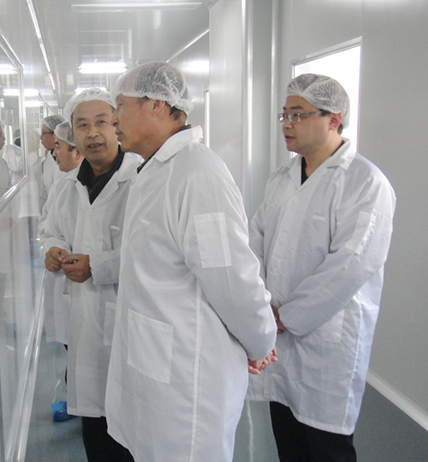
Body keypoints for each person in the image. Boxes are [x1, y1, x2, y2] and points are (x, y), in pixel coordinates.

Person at [104, 62, 277, 462]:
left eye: (121, 105)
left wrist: (261, 341)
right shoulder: (155, 171)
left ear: (157, 104)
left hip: (188, 375)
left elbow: (231, 279)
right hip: (156, 363)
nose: (114, 119)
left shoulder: (198, 174)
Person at [247, 74, 396, 462]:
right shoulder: (282, 178)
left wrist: (287, 315)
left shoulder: (365, 182)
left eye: (298, 114)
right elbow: (255, 240)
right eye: (284, 114)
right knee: (288, 440)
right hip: (278, 333)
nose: (286, 124)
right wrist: (260, 304)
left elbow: (353, 264)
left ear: (334, 119)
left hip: (327, 339)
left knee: (327, 446)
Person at [43, 88, 141, 462]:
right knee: (96, 432)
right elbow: (51, 229)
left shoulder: (141, 179)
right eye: (82, 125)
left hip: (131, 321)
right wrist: (53, 249)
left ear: (117, 125)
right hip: (84, 320)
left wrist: (98, 266)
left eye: (102, 122)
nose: (93, 132)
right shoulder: (66, 185)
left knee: (130, 429)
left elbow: (156, 252)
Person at [38, 114, 68, 208]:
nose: (40, 137)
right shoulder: (48, 159)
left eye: (43, 133)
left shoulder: (70, 160)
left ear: (56, 134)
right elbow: (44, 194)